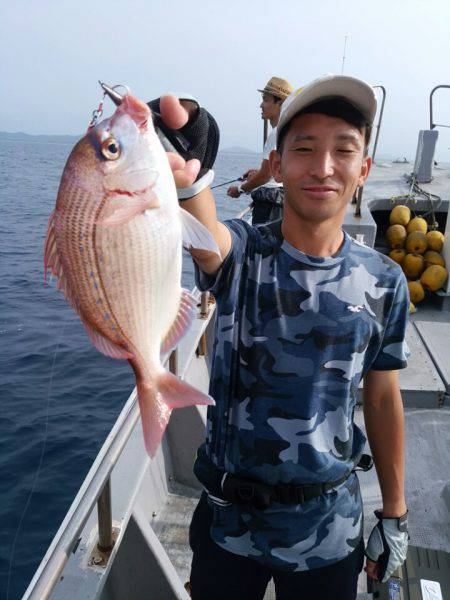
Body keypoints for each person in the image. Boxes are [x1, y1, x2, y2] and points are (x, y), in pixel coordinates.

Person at [159, 75, 409, 600]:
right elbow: (209, 244)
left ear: (363, 170)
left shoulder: (386, 281)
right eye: (304, 149)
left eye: (343, 150)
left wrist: (396, 512)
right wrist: (190, 179)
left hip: (330, 530)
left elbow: (383, 399)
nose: (323, 167)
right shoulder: (245, 253)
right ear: (277, 165)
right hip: (230, 529)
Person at [227, 76, 293, 225]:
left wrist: (239, 189)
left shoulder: (277, 133)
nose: (261, 105)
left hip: (271, 204)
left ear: (280, 103)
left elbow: (266, 175)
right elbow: (274, 170)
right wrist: (257, 172)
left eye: (266, 100)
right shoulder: (287, 131)